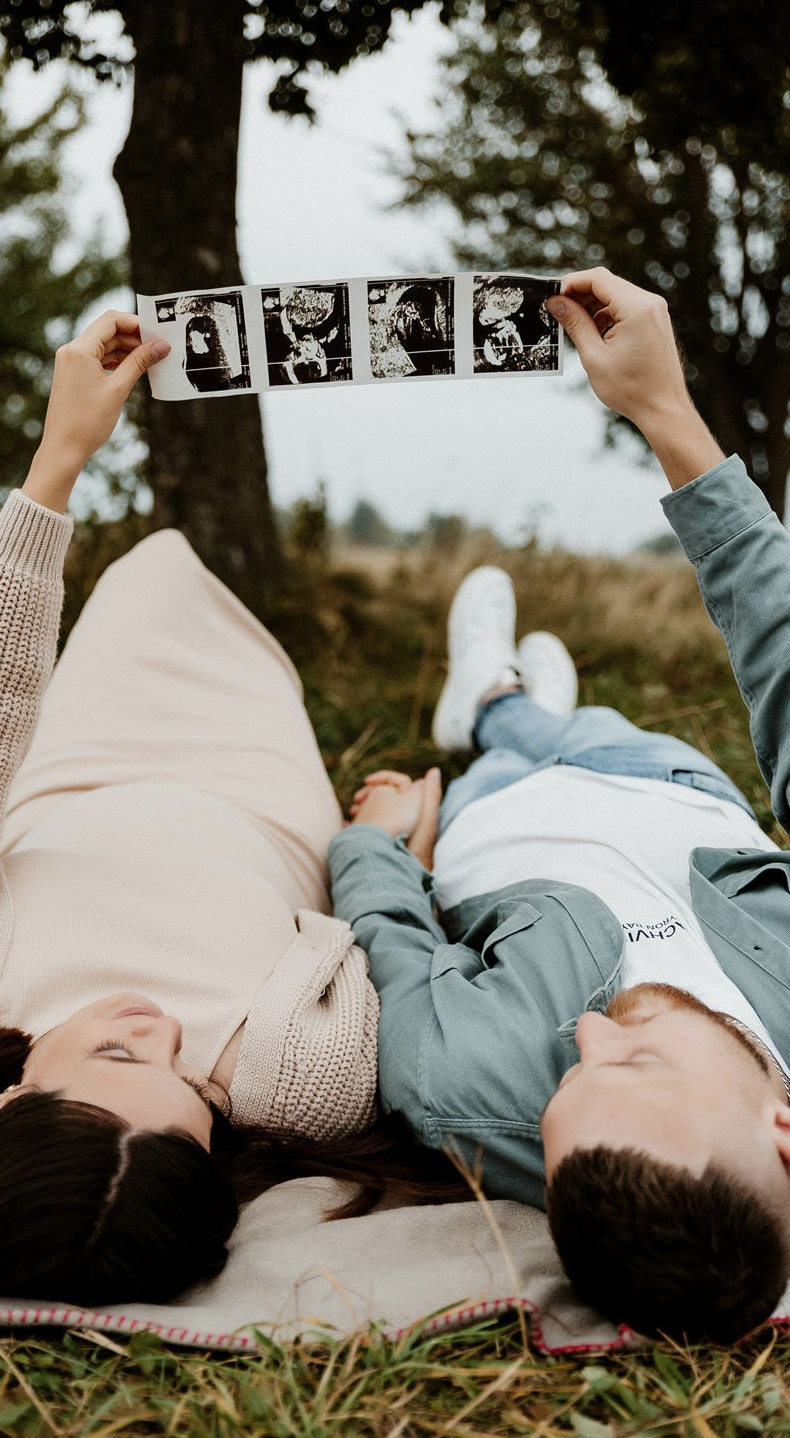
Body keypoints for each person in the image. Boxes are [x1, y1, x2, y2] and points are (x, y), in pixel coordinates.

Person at [0, 311, 462, 1307]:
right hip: (255, 791)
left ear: (7, 1105)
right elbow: (374, 935)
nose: (161, 1031)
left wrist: (58, 462)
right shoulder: (307, 1084)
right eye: (189, 1092)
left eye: (118, 1053)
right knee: (228, 629)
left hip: (73, 765)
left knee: (147, 575)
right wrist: (381, 845)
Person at [330, 267, 790, 1345]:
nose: (583, 1032)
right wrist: (666, 413)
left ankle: (494, 704)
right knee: (589, 727)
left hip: (509, 813)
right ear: (782, 1129)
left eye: (566, 1085)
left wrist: (378, 838)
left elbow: (388, 932)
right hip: (669, 781)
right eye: (632, 1062)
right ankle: (517, 700)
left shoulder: (456, 1085)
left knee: (521, 742)